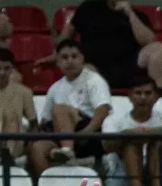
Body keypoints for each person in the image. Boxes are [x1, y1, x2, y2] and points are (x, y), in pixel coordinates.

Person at [60, 0, 162, 91]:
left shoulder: (138, 16)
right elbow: (66, 36)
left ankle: (157, 95)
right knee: (83, 69)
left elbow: (148, 41)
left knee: (159, 48)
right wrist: (58, 52)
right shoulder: (88, 8)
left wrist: (130, 13)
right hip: (93, 68)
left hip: (129, 68)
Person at [28, 39, 111, 176]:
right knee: (37, 148)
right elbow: (45, 121)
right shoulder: (54, 88)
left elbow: (103, 110)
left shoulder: (94, 80)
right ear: (58, 62)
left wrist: (86, 132)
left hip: (88, 134)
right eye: (65, 57)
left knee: (60, 109)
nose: (70, 61)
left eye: (74, 56)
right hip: (61, 135)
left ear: (82, 58)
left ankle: (67, 151)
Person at [100, 71, 162, 186]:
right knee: (130, 143)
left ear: (156, 96)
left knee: (158, 142)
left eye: (147, 93)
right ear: (130, 96)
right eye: (138, 93)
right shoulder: (114, 120)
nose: (143, 97)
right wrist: (128, 134)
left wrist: (158, 132)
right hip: (123, 175)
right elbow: (106, 147)